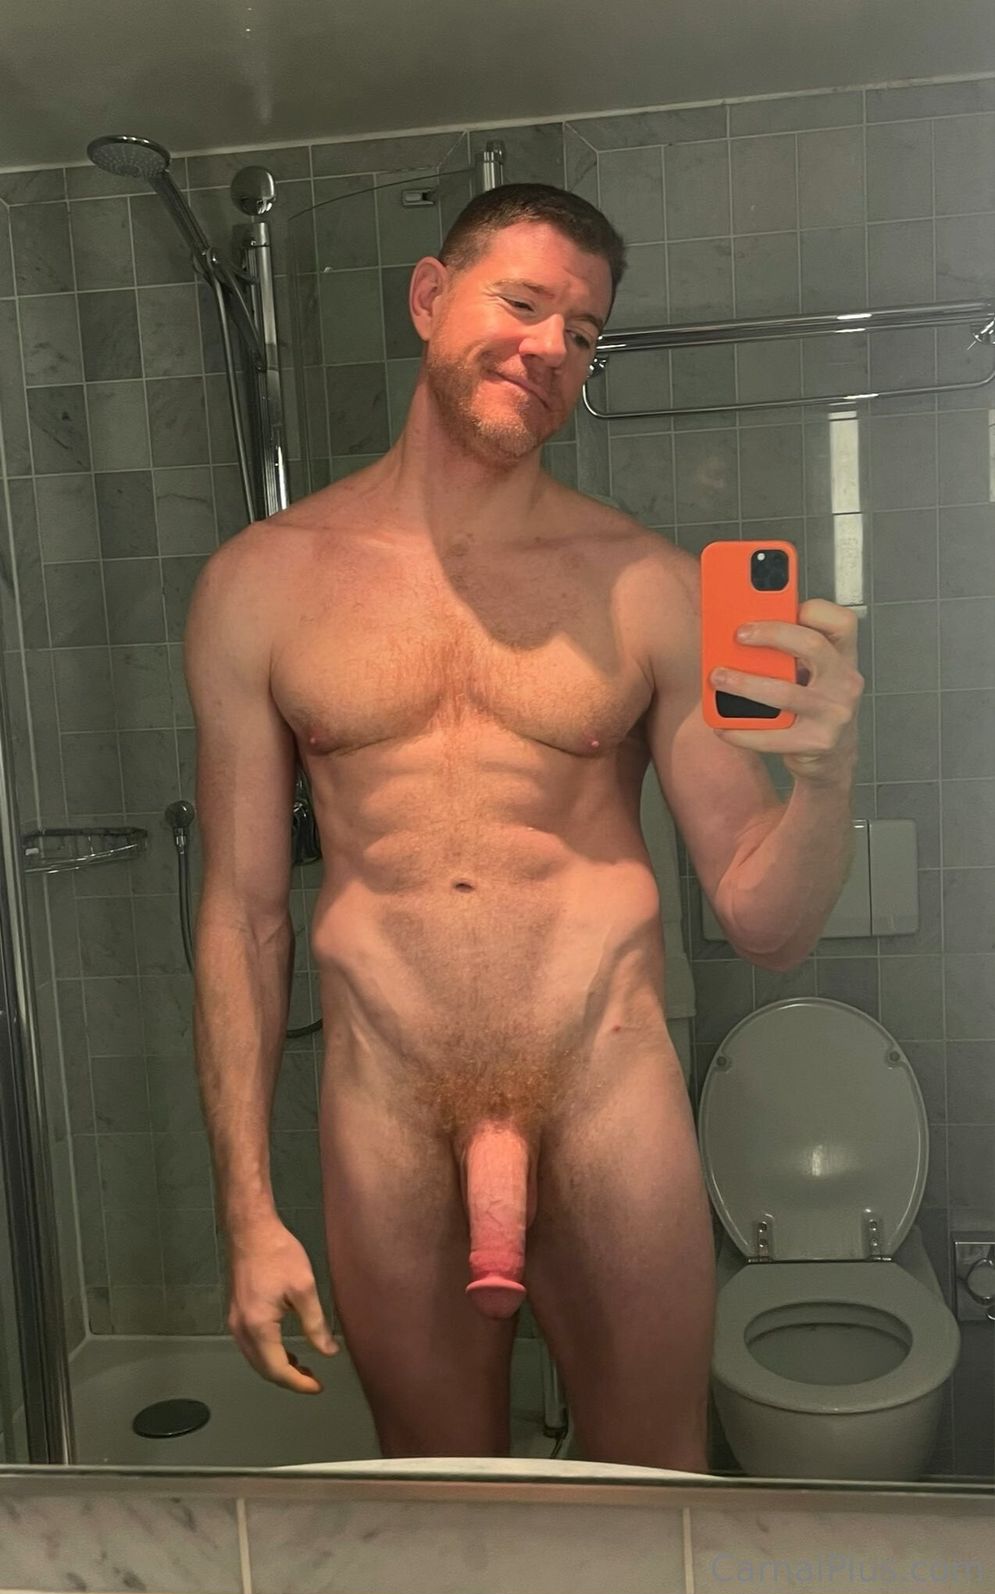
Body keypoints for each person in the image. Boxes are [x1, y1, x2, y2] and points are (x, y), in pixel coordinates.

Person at [183, 182, 863, 1469]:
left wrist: (825, 783)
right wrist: (247, 1213)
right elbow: (242, 917)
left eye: (583, 331)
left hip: (604, 1088)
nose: (551, 346)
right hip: (386, 1103)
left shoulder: (647, 587)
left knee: (654, 1483)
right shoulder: (259, 586)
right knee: (438, 1491)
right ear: (430, 298)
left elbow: (765, 923)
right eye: (523, 302)